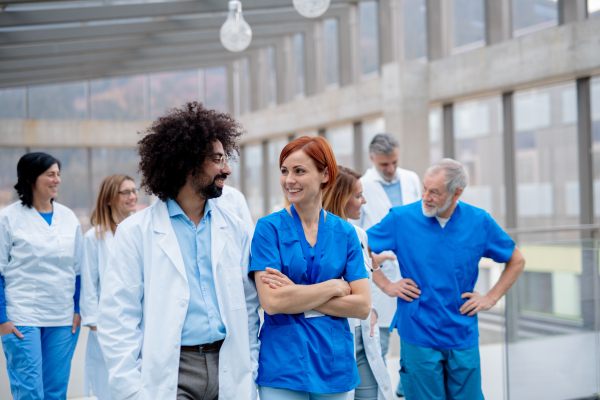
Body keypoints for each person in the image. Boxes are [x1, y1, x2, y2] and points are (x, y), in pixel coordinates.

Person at [97, 102, 260, 400]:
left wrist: (251, 363)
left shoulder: (234, 227)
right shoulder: (136, 233)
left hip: (228, 363)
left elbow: (249, 307)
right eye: (218, 159)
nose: (227, 168)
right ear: (187, 163)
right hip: (169, 371)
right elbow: (118, 317)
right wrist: (132, 390)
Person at [366, 159, 526, 400]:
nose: (426, 196)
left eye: (435, 192)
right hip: (419, 331)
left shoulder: (479, 221)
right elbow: (358, 247)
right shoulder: (401, 219)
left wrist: (491, 298)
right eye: (424, 188)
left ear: (456, 193)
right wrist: (386, 284)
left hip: (462, 332)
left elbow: (517, 260)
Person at [249, 136, 371, 400]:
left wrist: (295, 294)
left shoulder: (345, 232)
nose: (288, 180)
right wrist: (333, 287)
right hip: (283, 364)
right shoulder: (268, 229)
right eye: (284, 171)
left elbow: (362, 306)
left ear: (325, 174)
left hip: (334, 363)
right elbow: (271, 302)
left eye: (299, 171)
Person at [0, 152, 82, 400]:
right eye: (50, 174)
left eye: (58, 174)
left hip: (62, 317)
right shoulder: (8, 218)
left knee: (56, 391)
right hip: (22, 316)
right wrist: (2, 318)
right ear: (31, 179)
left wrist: (77, 309)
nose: (57, 180)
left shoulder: (68, 218)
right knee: (30, 391)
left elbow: (78, 270)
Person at [353, 133, 421, 397]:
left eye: (394, 162)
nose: (390, 169)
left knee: (413, 342)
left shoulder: (412, 179)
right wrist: (374, 257)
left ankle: (407, 390)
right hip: (377, 274)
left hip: (410, 273)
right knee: (376, 346)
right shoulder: (362, 185)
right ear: (372, 159)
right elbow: (356, 232)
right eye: (384, 165)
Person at [322, 166, 394, 400]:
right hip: (330, 339)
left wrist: (368, 308)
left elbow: (361, 285)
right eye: (358, 195)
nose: (363, 201)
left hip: (363, 337)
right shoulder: (315, 236)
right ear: (341, 197)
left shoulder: (359, 235)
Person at [80, 174, 139, 400]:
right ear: (108, 198)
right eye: (125, 192)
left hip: (136, 319)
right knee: (107, 386)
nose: (132, 196)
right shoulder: (92, 238)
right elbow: (89, 285)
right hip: (106, 325)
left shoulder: (139, 233)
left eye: (134, 191)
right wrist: (95, 325)